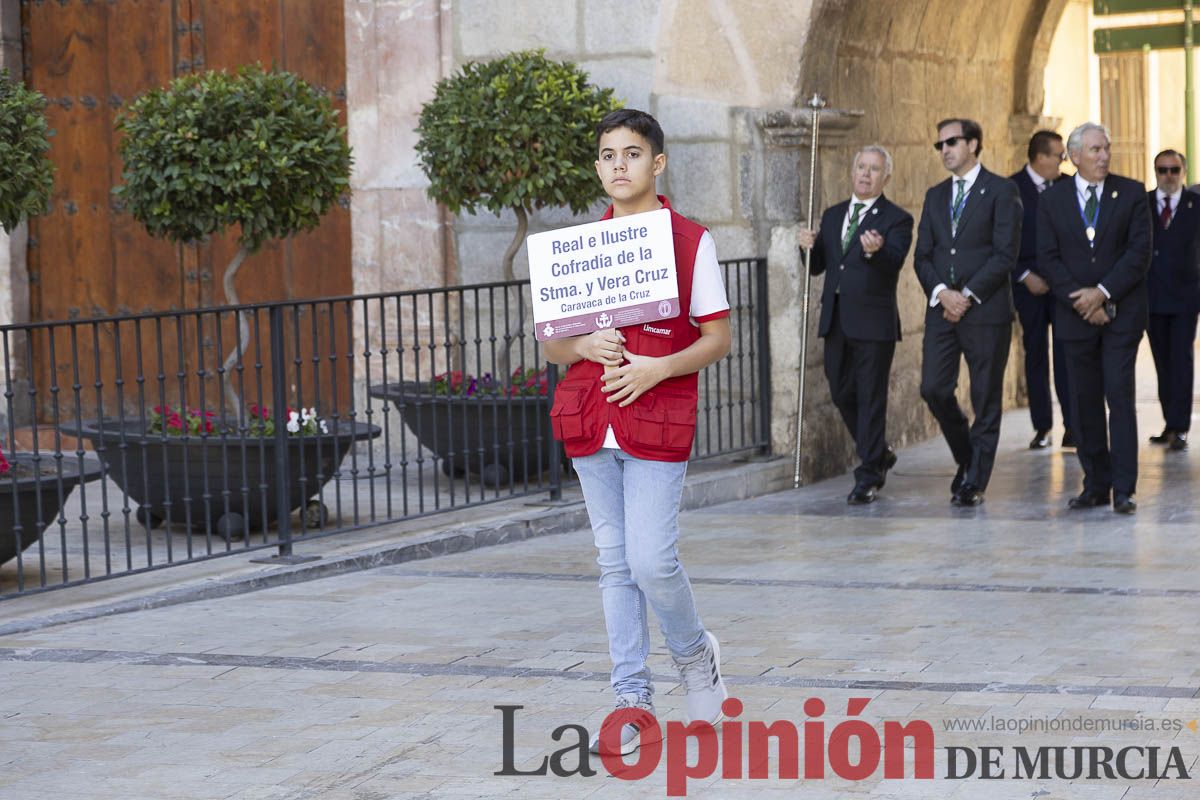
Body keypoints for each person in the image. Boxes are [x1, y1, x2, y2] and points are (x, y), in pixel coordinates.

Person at [544, 109, 730, 756]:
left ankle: (694, 655)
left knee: (652, 559)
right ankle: (632, 702)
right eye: (606, 154)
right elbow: (553, 348)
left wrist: (659, 368)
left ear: (658, 163)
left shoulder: (689, 242)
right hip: (592, 419)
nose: (617, 165)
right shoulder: (578, 248)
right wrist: (582, 344)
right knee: (614, 564)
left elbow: (717, 338)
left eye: (631, 153)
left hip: (656, 418)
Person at [1037, 122, 1152, 514]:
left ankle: (1123, 487)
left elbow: (1138, 254)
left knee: (1119, 397)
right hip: (1074, 316)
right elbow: (1047, 258)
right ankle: (1095, 483)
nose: (1103, 156)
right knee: (1083, 402)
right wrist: (1081, 301)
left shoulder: (1132, 193)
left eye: (1106, 148)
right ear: (1073, 156)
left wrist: (1101, 294)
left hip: (1121, 315)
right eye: (1094, 150)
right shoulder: (1052, 200)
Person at [914, 118, 1022, 507]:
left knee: (985, 397)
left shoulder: (1001, 190)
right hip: (942, 311)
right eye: (939, 144)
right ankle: (967, 457)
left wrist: (968, 295)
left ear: (974, 144)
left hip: (985, 312)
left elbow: (1004, 254)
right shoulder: (934, 195)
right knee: (934, 388)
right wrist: (943, 293)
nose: (944, 149)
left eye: (952, 142)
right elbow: (922, 255)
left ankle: (974, 482)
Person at [797, 145, 914, 504]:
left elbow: (893, 262)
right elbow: (818, 267)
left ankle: (868, 475)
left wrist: (874, 252)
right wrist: (806, 248)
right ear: (852, 172)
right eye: (861, 167)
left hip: (873, 323)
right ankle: (877, 451)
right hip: (836, 322)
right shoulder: (833, 216)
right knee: (840, 391)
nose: (865, 174)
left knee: (870, 397)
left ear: (886, 177)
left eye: (874, 169)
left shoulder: (896, 219)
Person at [1009, 131, 1074, 450]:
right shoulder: (1010, 189)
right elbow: (999, 243)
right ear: (1040, 157)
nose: (1063, 161)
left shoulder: (1068, 186)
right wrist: (1023, 275)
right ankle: (1042, 427)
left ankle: (1073, 426)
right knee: (1035, 354)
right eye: (1059, 155)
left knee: (1068, 354)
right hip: (1028, 286)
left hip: (1063, 286)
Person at [1145, 149, 1199, 451]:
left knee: (1181, 360)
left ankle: (1180, 426)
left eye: (1173, 170)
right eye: (1162, 170)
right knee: (1162, 362)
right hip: (1152, 298)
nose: (1168, 176)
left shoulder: (1196, 205)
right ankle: (1169, 422)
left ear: (1183, 171)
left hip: (1185, 297)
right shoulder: (1143, 204)